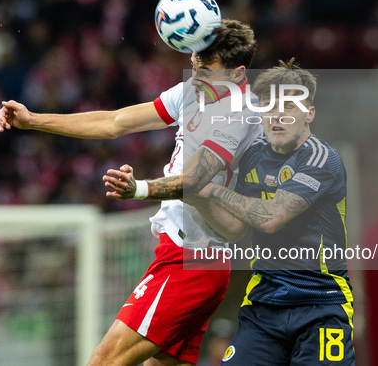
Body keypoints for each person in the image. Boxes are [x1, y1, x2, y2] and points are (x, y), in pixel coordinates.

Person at [0, 18, 261, 366]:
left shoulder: (239, 113)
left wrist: (139, 189)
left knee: (104, 361)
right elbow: (114, 122)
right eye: (194, 62)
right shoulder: (192, 93)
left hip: (192, 260)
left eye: (206, 68)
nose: (196, 74)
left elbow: (194, 181)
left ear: (237, 74)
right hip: (188, 252)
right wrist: (34, 121)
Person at [142, 59, 354, 365]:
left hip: (320, 304)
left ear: (309, 114)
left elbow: (270, 218)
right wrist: (195, 197)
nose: (278, 116)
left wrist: (207, 188)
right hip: (264, 303)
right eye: (270, 107)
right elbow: (235, 227)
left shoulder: (322, 159)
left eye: (289, 107)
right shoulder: (253, 155)